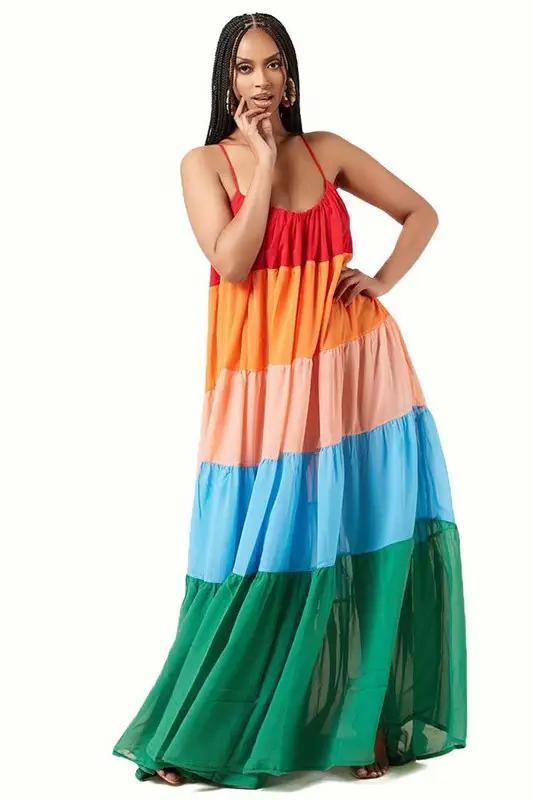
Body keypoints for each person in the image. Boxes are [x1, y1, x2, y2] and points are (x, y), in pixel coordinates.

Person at [112, 12, 467, 788]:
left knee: (361, 539)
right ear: (225, 82)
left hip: (355, 373)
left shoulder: (327, 150)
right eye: (244, 67)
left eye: (273, 64)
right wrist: (267, 161)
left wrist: (380, 279)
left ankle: (359, 726)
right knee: (253, 552)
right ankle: (196, 734)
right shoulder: (204, 164)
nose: (262, 79)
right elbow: (233, 263)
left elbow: (421, 213)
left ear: (292, 76)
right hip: (262, 390)